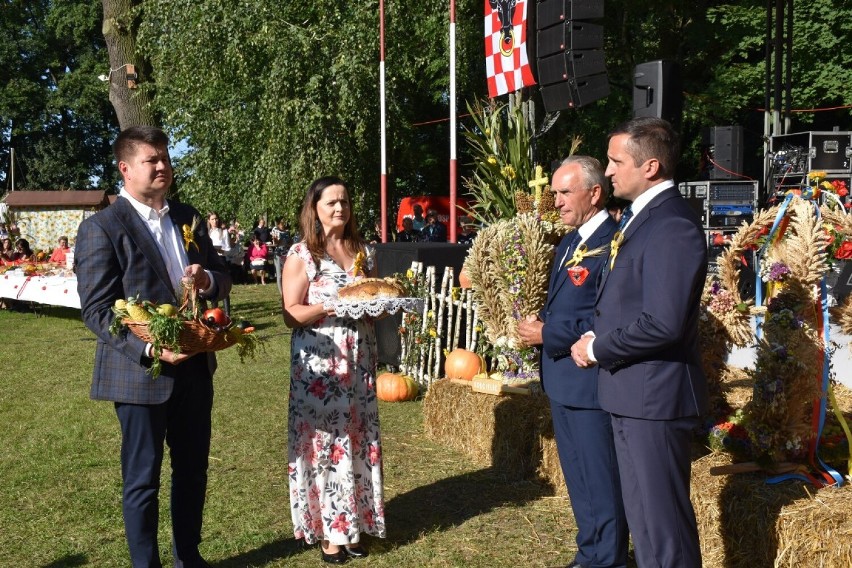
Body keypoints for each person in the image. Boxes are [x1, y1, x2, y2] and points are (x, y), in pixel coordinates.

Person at [75, 125, 232, 568]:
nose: (163, 165)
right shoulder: (101, 228)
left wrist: (207, 281)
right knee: (142, 479)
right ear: (125, 169)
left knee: (192, 472)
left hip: (195, 367)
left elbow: (222, 279)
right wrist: (149, 351)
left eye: (165, 157)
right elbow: (99, 310)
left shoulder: (188, 217)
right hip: (140, 373)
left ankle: (189, 557)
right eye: (152, 159)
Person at [570, 117, 708, 568]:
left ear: (650, 167)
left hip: (654, 398)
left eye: (615, 161)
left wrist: (597, 348)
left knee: (662, 531)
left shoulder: (671, 225)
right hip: (633, 395)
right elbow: (632, 303)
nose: (607, 172)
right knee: (647, 528)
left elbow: (664, 322)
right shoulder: (642, 219)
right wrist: (599, 333)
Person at [517, 156, 627, 568]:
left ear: (594, 193)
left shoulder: (614, 243)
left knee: (600, 481)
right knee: (580, 480)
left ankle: (606, 559)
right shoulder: (571, 241)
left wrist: (549, 334)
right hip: (562, 380)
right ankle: (590, 553)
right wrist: (542, 322)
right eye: (556, 193)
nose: (557, 202)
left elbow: (608, 316)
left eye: (565, 192)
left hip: (590, 379)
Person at [281, 175, 386, 564]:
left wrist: (381, 304)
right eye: (331, 203)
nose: (339, 208)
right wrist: (331, 306)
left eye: (344, 201)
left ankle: (356, 524)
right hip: (320, 367)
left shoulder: (362, 251)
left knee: (358, 438)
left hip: (358, 362)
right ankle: (331, 532)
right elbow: (291, 313)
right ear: (315, 208)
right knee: (327, 446)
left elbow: (370, 297)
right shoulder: (303, 254)